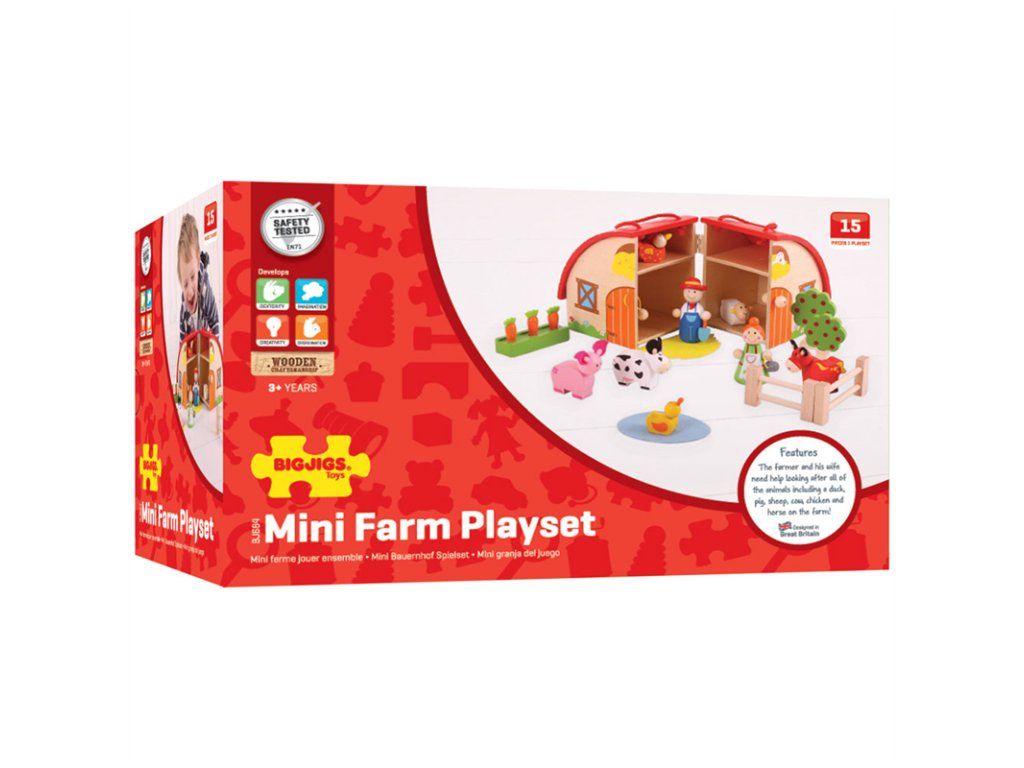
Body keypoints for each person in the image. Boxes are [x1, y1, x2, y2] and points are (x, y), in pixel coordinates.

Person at [177, 213, 220, 341]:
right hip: (193, 335)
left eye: (192, 277)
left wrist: (214, 345)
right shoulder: (184, 306)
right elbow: (182, 336)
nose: (189, 291)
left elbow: (215, 322)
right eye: (185, 284)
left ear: (196, 267)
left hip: (205, 332)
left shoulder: (206, 293)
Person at [732, 317, 776, 384]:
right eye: (748, 332)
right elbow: (739, 354)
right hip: (743, 373)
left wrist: (767, 355)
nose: (751, 336)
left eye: (755, 333)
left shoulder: (758, 348)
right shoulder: (746, 347)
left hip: (759, 373)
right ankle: (744, 377)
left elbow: (765, 355)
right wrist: (738, 353)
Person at [671, 277, 711, 343]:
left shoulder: (699, 308)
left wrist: (705, 316)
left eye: (694, 292)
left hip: (696, 336)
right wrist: (678, 312)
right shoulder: (684, 307)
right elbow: (679, 314)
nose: (691, 295)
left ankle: (697, 338)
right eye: (688, 291)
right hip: (684, 334)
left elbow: (704, 318)